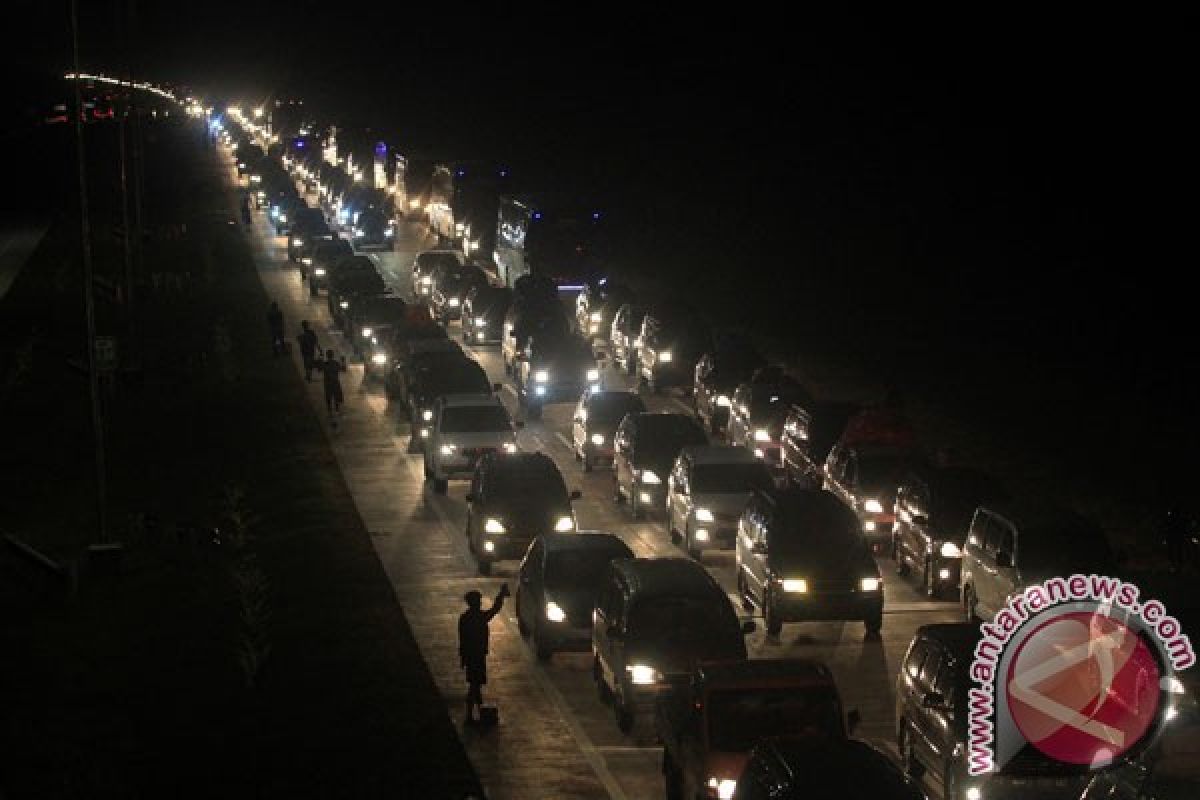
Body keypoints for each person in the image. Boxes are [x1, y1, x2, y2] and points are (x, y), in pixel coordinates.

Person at [458, 583, 509, 725]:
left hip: (470, 656)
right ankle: (470, 714)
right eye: (479, 600)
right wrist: (501, 595)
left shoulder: (464, 618)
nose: (480, 602)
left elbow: (462, 639)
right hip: (477, 656)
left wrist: (463, 657)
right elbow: (494, 609)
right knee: (474, 685)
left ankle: (477, 710)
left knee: (475, 684)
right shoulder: (478, 617)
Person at [316, 349, 347, 417]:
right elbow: (344, 369)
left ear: (327, 356)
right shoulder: (336, 363)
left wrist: (319, 359)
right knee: (336, 397)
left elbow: (319, 369)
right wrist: (343, 361)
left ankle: (330, 411)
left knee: (329, 397)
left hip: (328, 383)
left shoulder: (325, 364)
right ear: (333, 355)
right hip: (335, 382)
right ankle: (337, 410)